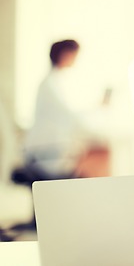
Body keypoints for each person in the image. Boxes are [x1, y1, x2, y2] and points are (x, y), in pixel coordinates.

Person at [13, 40, 108, 185]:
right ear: (65, 54)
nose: (76, 59)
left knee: (95, 155)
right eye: (75, 55)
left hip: (50, 151)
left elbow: (68, 115)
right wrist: (97, 111)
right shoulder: (49, 85)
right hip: (46, 155)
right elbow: (70, 117)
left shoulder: (53, 82)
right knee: (99, 156)